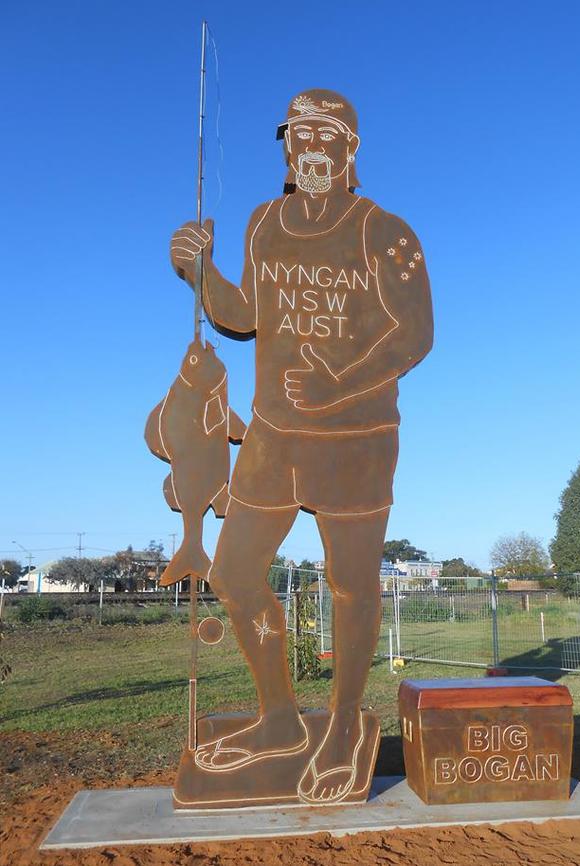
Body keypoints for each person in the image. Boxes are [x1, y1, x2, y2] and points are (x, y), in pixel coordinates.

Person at [170, 89, 433, 804]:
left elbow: (414, 334)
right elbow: (244, 314)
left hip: (357, 439)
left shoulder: (386, 231)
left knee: (351, 586)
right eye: (300, 136)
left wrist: (339, 385)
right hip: (274, 435)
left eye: (329, 136)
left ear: (351, 149)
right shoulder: (263, 222)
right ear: (287, 148)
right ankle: (281, 719)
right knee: (232, 573)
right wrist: (201, 274)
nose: (313, 148)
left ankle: (344, 724)